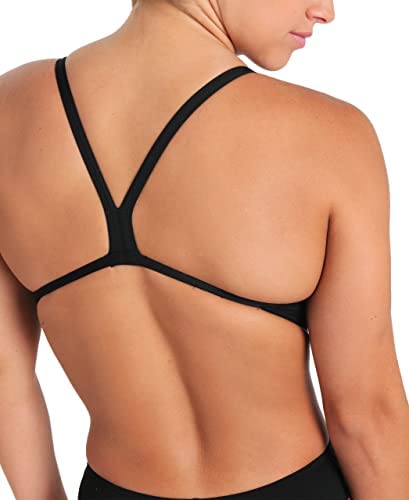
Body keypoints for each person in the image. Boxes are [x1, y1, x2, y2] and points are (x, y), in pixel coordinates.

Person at [0, 0, 408, 498]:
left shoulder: (10, 111)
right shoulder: (331, 137)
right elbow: (367, 417)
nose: (325, 11)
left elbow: (6, 379)